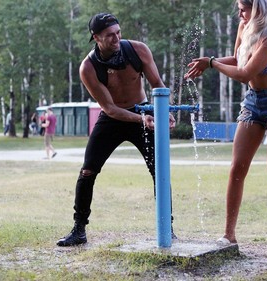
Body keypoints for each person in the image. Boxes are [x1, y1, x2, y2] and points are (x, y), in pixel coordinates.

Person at [184, 0, 267, 256]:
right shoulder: (244, 26)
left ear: (257, 7)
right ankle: (229, 236)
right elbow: (237, 59)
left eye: (242, 8)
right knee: (237, 168)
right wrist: (208, 62)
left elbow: (244, 73)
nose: (239, 13)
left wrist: (212, 63)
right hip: (253, 103)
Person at [56, 12, 176, 247]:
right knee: (87, 171)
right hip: (113, 118)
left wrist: (163, 110)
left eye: (118, 33)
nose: (116, 39)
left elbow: (158, 85)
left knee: (159, 171)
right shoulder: (88, 68)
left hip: (143, 112)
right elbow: (109, 108)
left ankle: (167, 228)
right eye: (110, 35)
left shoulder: (138, 50)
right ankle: (79, 229)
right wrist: (141, 120)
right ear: (96, 38)